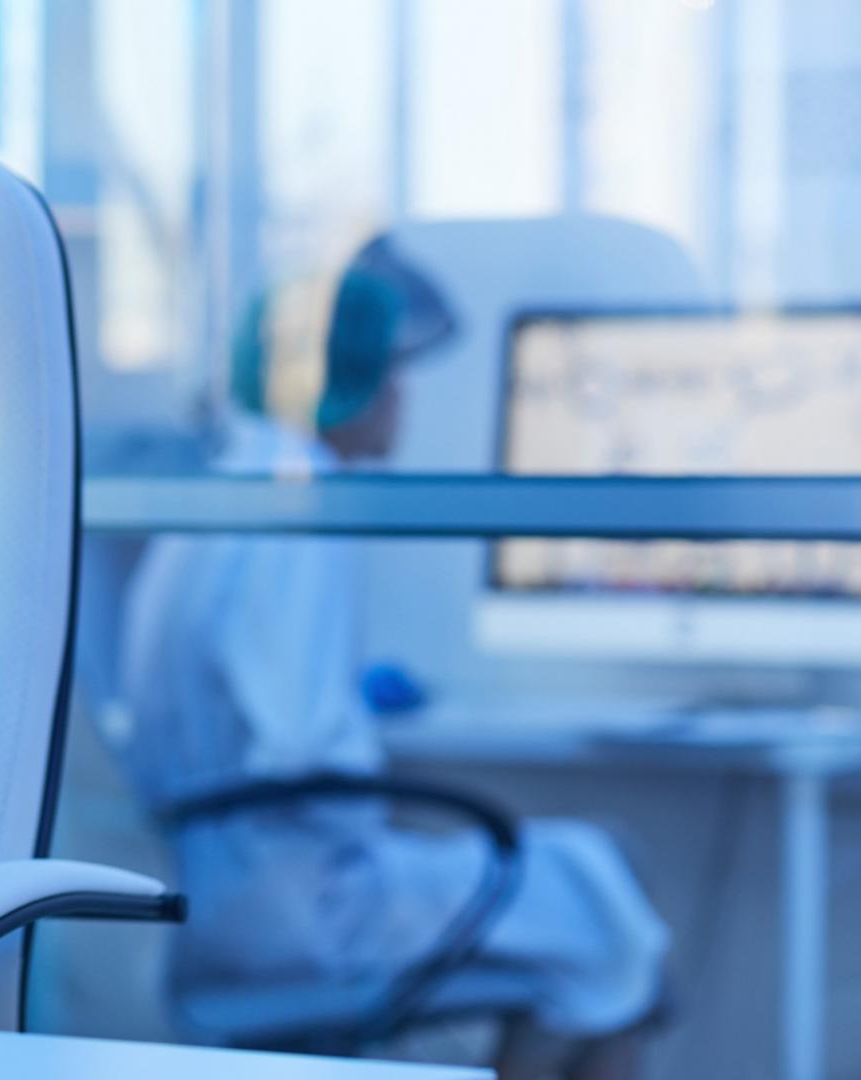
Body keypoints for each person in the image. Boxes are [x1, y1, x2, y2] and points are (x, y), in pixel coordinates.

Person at [116, 238, 668, 1078]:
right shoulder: (294, 509)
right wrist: (369, 786)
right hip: (292, 906)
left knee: (576, 889)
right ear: (347, 381)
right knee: (597, 884)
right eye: (392, 373)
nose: (402, 396)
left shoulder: (228, 481)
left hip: (217, 886)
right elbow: (302, 752)